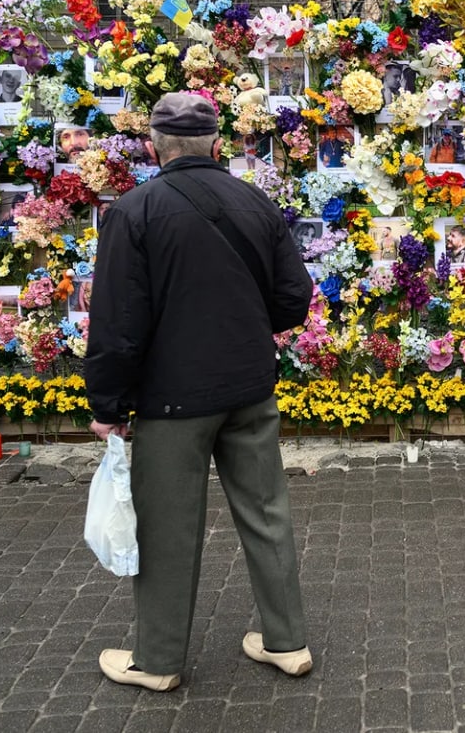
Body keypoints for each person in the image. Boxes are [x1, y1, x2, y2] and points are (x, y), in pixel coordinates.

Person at [86, 92, 315, 692]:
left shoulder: (133, 212)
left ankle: (157, 661)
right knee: (267, 513)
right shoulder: (255, 201)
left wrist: (106, 406)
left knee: (168, 527)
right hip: (248, 387)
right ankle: (287, 642)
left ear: (151, 146)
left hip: (171, 400)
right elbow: (294, 299)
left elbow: (118, 324)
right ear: (218, 144)